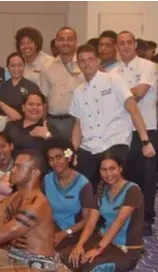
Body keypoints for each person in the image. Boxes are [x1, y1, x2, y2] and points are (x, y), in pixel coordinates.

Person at [70, 44, 155, 188]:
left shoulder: (113, 80)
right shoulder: (78, 91)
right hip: (89, 145)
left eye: (90, 59)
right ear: (78, 64)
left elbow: (134, 110)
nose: (86, 63)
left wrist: (145, 142)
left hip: (114, 141)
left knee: (113, 185)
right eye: (82, 60)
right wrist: (72, 152)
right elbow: (77, 125)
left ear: (97, 61)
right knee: (82, 186)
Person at [60, 152, 144, 272]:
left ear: (120, 168)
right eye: (104, 169)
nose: (108, 174)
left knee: (89, 269)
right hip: (103, 240)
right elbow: (91, 222)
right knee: (66, 258)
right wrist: (79, 245)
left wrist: (97, 250)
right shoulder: (101, 189)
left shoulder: (133, 190)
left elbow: (119, 222)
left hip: (125, 250)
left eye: (112, 168)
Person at [109, 31, 158, 236]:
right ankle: (128, 216)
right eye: (122, 43)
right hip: (121, 132)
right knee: (126, 176)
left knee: (147, 176)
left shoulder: (148, 66)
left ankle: (146, 217)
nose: (126, 46)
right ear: (117, 47)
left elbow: (139, 93)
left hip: (146, 129)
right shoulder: (112, 72)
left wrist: (120, 95)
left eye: (129, 42)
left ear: (135, 45)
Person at [42, 139, 99, 252]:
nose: (55, 162)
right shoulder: (46, 179)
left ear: (68, 157)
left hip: (72, 232)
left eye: (59, 157)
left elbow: (86, 220)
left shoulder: (83, 184)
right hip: (51, 227)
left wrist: (64, 233)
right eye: (51, 159)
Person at [40, 26, 84, 140]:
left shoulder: (85, 64)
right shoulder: (47, 67)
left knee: (73, 154)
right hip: (52, 122)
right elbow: (44, 99)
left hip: (78, 122)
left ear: (75, 42)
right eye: (61, 39)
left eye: (70, 39)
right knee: (54, 155)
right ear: (56, 42)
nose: (65, 43)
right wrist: (42, 123)